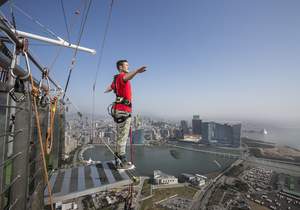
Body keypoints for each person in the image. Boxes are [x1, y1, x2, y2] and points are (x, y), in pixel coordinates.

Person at [105, 60, 146, 170]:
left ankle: (118, 161)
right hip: (123, 110)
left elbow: (110, 87)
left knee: (120, 137)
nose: (128, 66)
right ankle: (122, 162)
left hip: (118, 109)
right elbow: (127, 77)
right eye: (126, 65)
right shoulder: (121, 77)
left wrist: (109, 89)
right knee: (123, 137)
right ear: (120, 67)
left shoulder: (116, 79)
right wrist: (136, 71)